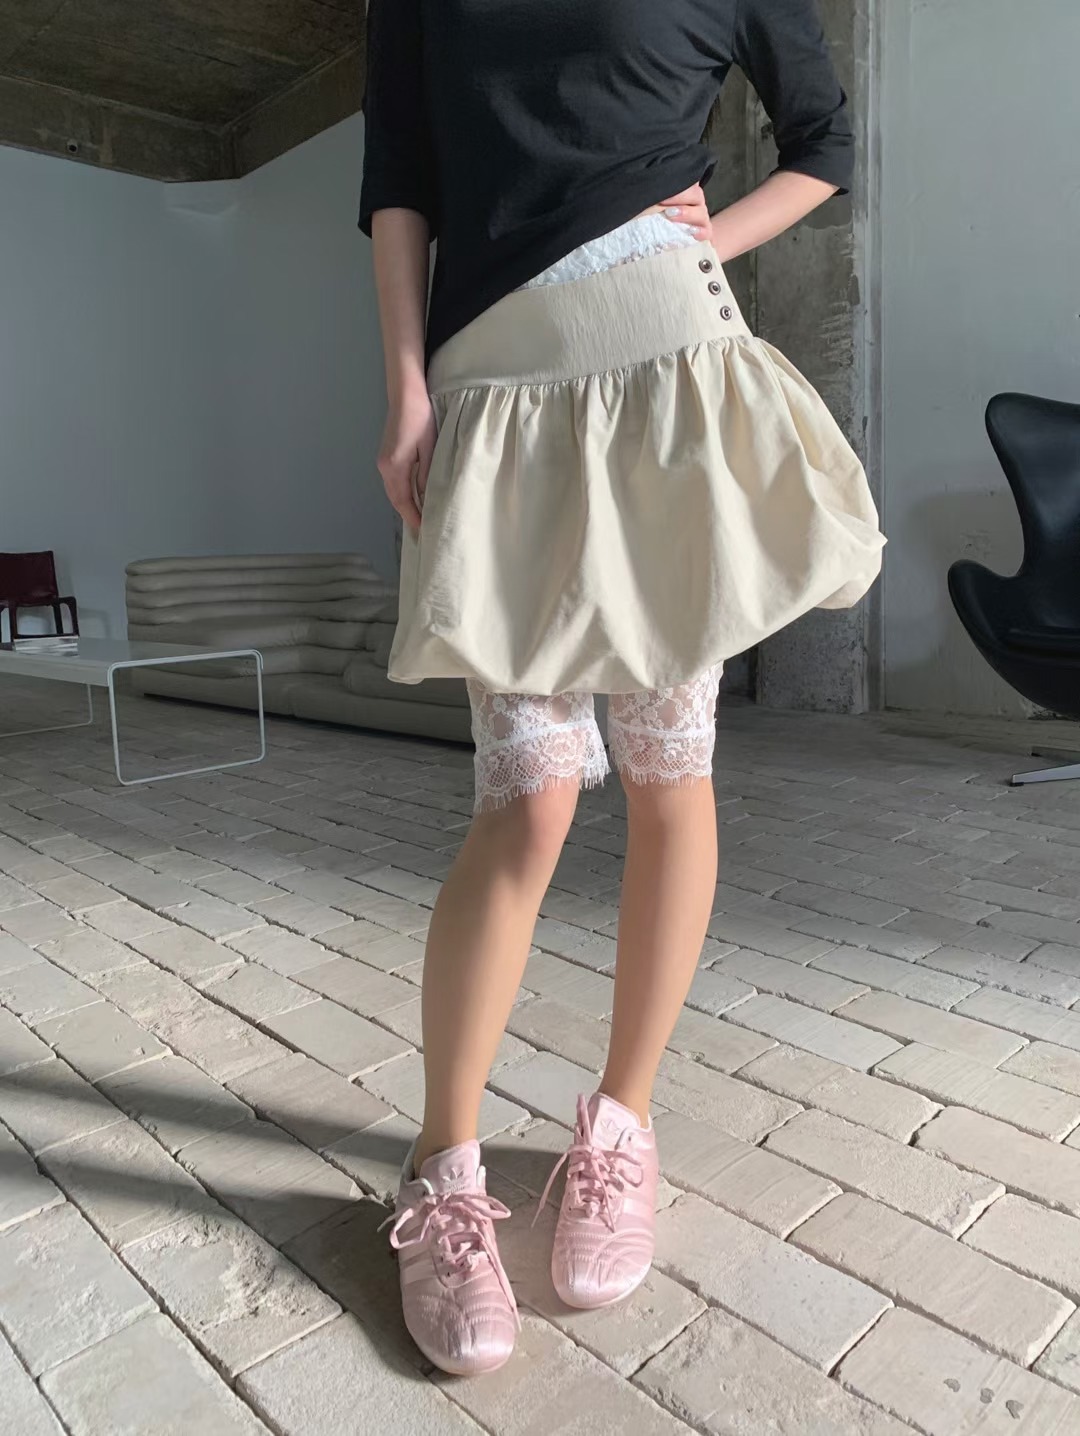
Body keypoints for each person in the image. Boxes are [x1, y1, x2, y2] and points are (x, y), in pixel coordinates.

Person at [359, 0, 885, 1377]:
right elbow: (402, 178)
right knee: (527, 801)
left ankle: (622, 1126)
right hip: (491, 396)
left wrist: (712, 239)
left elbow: (825, 144)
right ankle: (442, 1168)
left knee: (669, 776)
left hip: (666, 382)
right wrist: (404, 389)